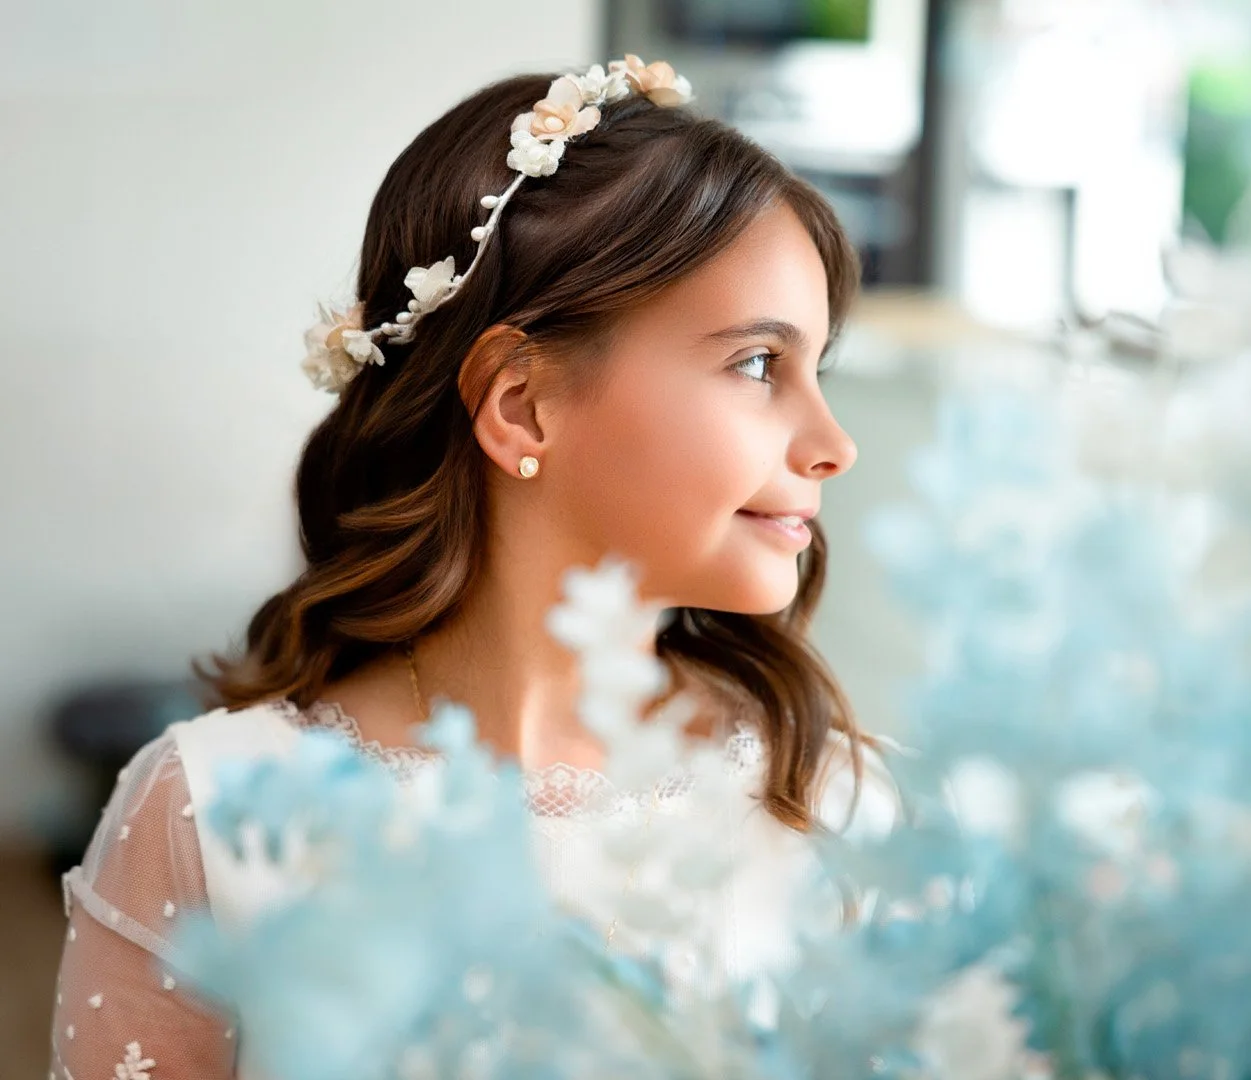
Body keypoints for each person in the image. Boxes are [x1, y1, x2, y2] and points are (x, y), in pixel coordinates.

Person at [48, 54, 893, 1080]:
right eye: (758, 363)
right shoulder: (206, 811)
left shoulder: (834, 797)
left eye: (818, 368)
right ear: (521, 404)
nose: (835, 442)